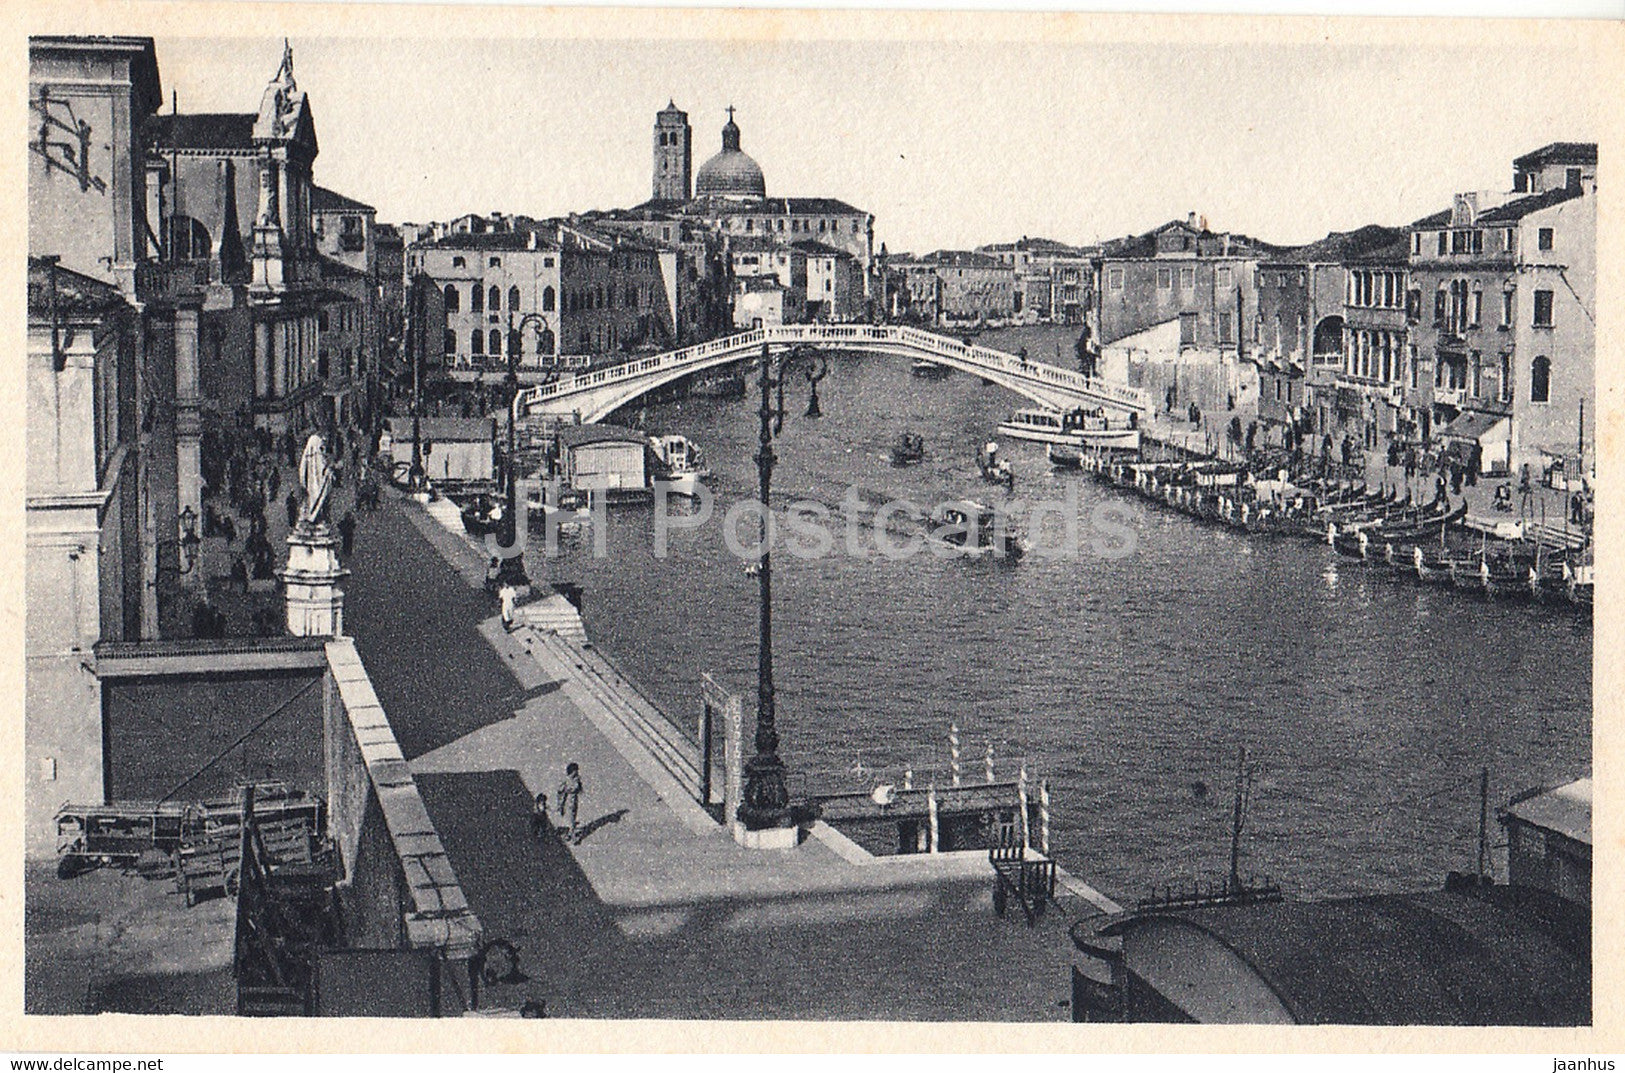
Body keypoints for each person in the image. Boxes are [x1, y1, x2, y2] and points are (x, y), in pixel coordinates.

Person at [557, 763, 583, 844]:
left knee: (572, 817)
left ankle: (568, 834)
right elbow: (560, 792)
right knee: (570, 819)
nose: (577, 772)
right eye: (575, 771)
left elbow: (579, 788)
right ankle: (573, 837)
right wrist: (560, 804)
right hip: (568, 802)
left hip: (574, 801)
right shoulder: (566, 780)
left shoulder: (576, 779)